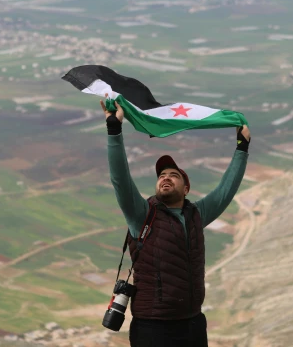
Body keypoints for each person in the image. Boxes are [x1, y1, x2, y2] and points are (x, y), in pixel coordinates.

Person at [100, 99, 251, 347]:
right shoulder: (142, 215)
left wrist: (241, 148)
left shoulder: (196, 215)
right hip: (153, 327)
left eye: (174, 175)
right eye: (161, 176)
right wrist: (114, 129)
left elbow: (227, 188)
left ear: (186, 188)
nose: (166, 178)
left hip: (193, 323)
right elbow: (120, 179)